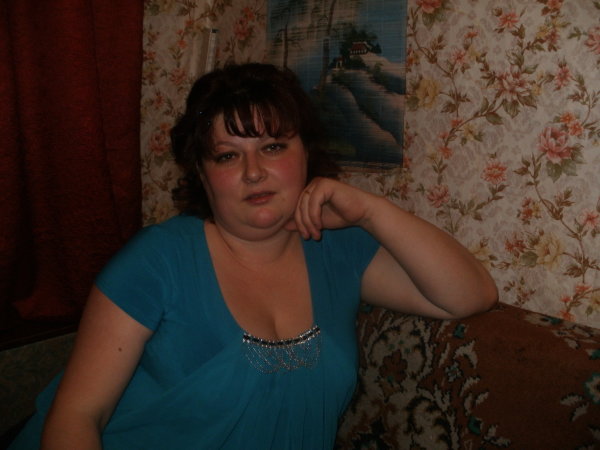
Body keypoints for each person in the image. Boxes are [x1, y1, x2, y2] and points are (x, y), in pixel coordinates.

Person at [10, 63, 497, 450]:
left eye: (273, 146)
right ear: (202, 174)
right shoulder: (158, 260)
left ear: (305, 153)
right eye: (227, 155)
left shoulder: (335, 246)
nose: (253, 171)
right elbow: (77, 417)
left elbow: (469, 296)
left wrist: (372, 211)